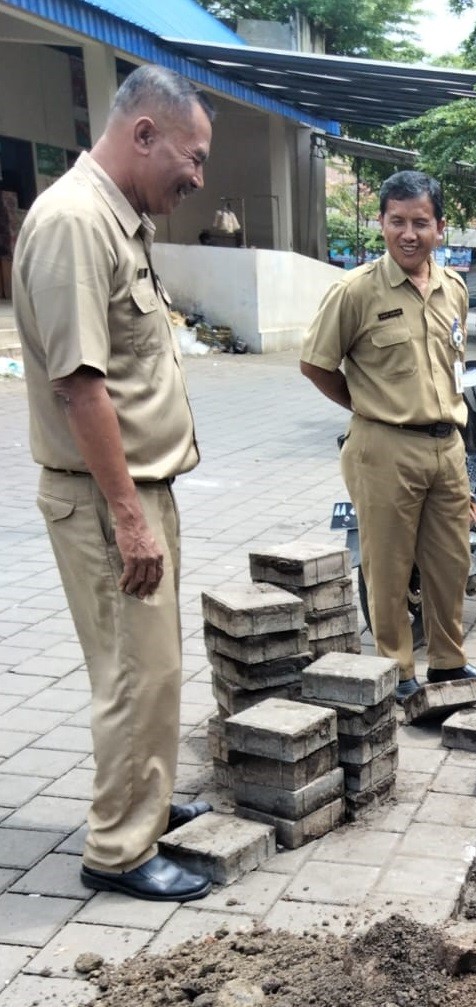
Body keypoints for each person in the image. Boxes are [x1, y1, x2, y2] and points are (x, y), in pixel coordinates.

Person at [13, 65, 216, 902]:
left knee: (157, 664)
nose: (197, 177)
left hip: (136, 492)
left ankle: (148, 799)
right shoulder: (72, 221)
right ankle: (119, 848)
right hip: (107, 500)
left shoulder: (117, 220)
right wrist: (129, 516)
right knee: (132, 672)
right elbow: (80, 386)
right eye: (192, 157)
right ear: (144, 134)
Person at [300, 170, 476, 699]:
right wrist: (367, 406)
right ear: (382, 224)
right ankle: (398, 673)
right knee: (388, 568)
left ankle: (447, 664)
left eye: (420, 222)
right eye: (397, 221)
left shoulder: (453, 289)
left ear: (440, 227)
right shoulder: (356, 291)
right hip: (385, 446)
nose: (408, 233)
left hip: (448, 445)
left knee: (450, 560)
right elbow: (316, 364)